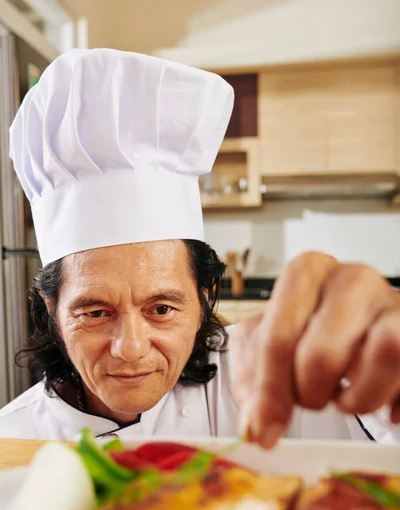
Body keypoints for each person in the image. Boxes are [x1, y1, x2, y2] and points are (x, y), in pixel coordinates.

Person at [0, 48, 399, 446]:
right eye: (96, 311)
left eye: (161, 309)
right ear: (52, 309)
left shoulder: (269, 377)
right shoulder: (14, 440)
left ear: (203, 299)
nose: (132, 349)